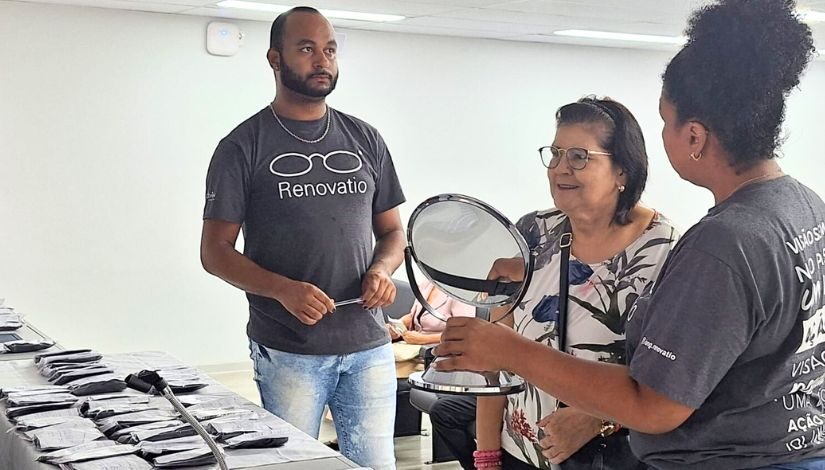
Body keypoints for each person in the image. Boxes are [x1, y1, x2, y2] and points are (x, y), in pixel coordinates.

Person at [435, 1, 825, 469]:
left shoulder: (719, 245)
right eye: (555, 154)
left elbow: (654, 404)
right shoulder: (803, 206)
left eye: (666, 122)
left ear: (695, 137)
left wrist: (509, 350)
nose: (562, 167)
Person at [199, 7, 405, 470]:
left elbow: (393, 232)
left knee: (377, 465)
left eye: (329, 50)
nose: (322, 61)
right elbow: (214, 253)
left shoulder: (365, 139)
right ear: (275, 59)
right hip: (290, 348)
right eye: (307, 49)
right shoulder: (242, 146)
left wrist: (382, 269)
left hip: (369, 344)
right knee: (293, 466)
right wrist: (282, 289)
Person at [475, 97, 679, 469]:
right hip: (520, 451)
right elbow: (496, 359)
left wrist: (599, 418)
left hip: (612, 458)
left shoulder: (663, 250)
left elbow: (673, 380)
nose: (559, 169)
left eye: (578, 157)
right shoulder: (533, 233)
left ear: (623, 172)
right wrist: (487, 456)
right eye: (554, 154)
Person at [388, 280, 475, 345]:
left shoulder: (462, 293)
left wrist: (423, 339)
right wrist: (397, 325)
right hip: (414, 347)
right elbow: (414, 316)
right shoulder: (427, 284)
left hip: (440, 351)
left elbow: (463, 333)